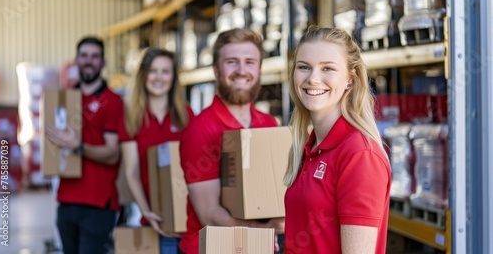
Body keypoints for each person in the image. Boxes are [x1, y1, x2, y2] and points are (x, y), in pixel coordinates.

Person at [283, 26, 391, 254]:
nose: (313, 79)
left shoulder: (359, 155)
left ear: (350, 80)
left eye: (327, 69)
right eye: (304, 67)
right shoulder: (311, 146)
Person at [179, 28, 285, 254]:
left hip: (260, 247)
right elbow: (210, 214)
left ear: (259, 69)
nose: (241, 70)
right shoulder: (199, 130)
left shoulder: (268, 125)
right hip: (213, 248)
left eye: (249, 62)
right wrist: (270, 228)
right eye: (232, 62)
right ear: (216, 70)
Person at [44, 36, 124, 254]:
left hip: (98, 204)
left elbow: (113, 153)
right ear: (76, 60)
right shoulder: (64, 99)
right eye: (84, 56)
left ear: (103, 62)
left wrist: (78, 147)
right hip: (66, 201)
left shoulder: (113, 101)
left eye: (95, 56)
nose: (89, 61)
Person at [118, 48, 194, 253]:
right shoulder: (132, 118)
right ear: (143, 75)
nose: (159, 77)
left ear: (173, 77)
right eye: (153, 71)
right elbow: (131, 171)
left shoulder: (186, 115)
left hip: (191, 219)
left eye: (165, 71)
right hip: (155, 219)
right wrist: (146, 211)